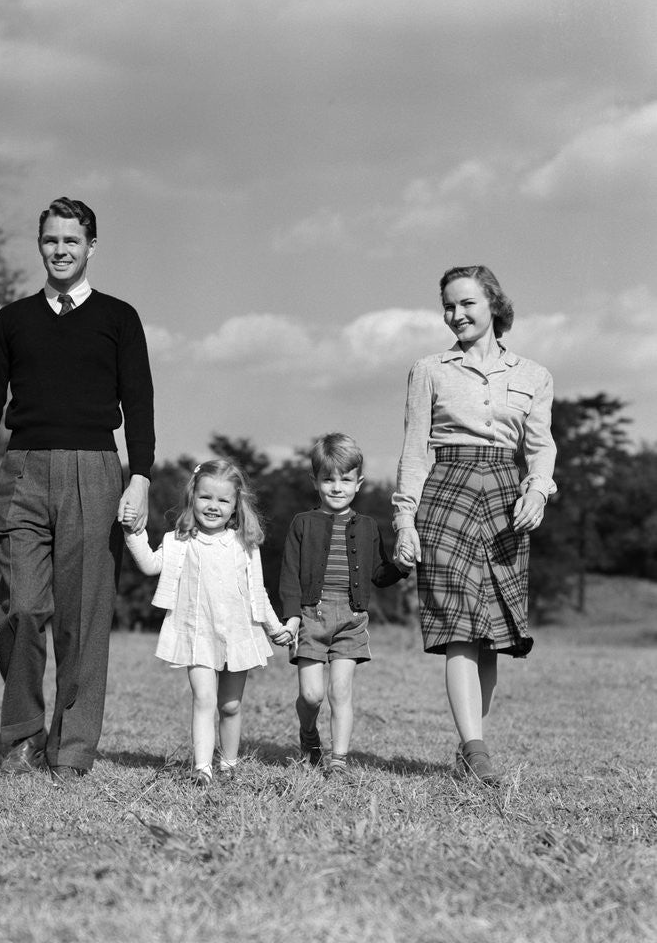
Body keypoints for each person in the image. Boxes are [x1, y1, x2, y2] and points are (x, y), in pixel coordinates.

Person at [0, 197, 154, 784]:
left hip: (95, 470)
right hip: (21, 470)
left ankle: (70, 750)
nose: (60, 250)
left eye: (71, 241)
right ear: (39, 245)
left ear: (91, 246)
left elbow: (139, 401)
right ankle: (21, 734)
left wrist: (139, 476)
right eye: (50, 240)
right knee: (20, 607)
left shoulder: (119, 317)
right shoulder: (13, 319)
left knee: (83, 617)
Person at [392, 266, 556, 785]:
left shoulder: (534, 375)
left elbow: (541, 447)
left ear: (493, 305)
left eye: (466, 304)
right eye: (447, 306)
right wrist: (404, 520)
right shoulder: (429, 369)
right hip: (447, 494)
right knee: (458, 626)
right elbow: (415, 450)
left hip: (508, 498)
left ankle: (471, 749)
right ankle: (477, 749)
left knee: (491, 631)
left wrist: (537, 490)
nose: (455, 315)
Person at [123, 459, 292, 786]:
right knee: (203, 699)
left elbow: (258, 591)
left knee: (229, 705)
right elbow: (149, 565)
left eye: (223, 500)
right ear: (192, 497)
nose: (213, 506)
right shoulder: (179, 540)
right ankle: (202, 768)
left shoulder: (244, 543)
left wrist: (275, 627)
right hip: (196, 633)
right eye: (205, 497)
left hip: (237, 634)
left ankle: (228, 763)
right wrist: (134, 532)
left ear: (235, 505)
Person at [279, 433, 406, 777]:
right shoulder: (302, 523)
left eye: (346, 480)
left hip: (351, 619)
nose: (337, 487)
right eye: (328, 479)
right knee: (311, 694)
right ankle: (308, 734)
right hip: (310, 616)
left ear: (358, 483)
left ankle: (338, 761)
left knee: (340, 690)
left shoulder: (367, 527)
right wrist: (291, 619)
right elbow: (289, 575)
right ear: (315, 481)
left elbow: (379, 573)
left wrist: (402, 566)